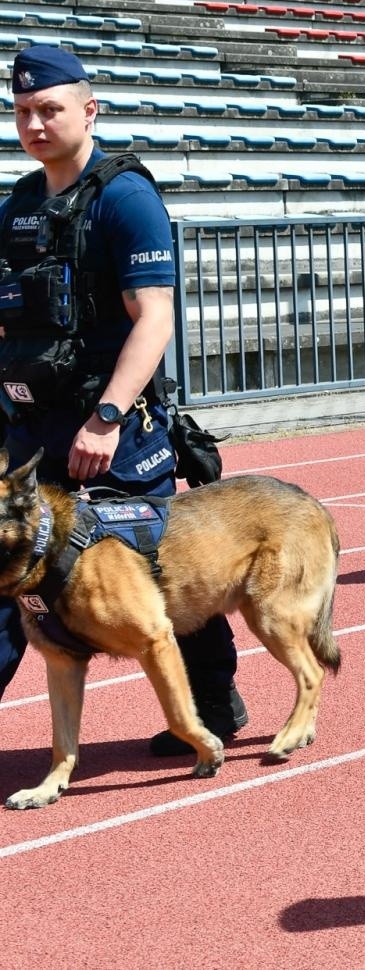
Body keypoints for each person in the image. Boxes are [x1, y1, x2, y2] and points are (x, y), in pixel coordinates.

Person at [0, 46, 247, 754]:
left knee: (161, 575)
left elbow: (156, 318)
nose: (35, 124)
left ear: (88, 110)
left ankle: (212, 701)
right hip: (31, 431)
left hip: (112, 434)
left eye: (49, 109)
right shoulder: (16, 206)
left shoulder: (124, 197)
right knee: (14, 578)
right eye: (22, 112)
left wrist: (107, 416)